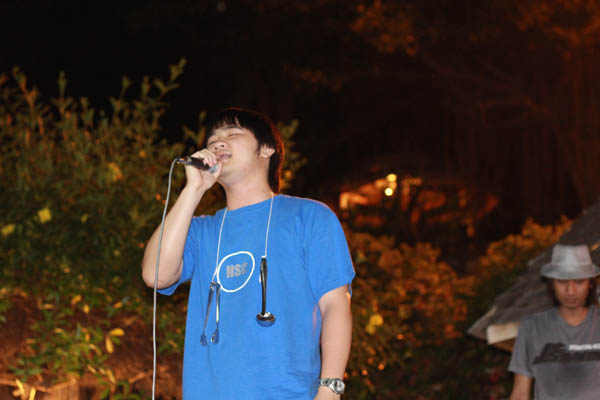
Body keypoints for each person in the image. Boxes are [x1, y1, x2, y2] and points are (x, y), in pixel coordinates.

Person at [141, 107, 355, 399]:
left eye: (232, 133)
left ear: (267, 149)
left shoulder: (309, 216)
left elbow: (335, 305)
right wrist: (194, 190)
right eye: (212, 138)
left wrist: (330, 390)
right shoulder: (200, 231)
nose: (218, 142)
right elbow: (155, 276)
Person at [508, 243, 600, 400]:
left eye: (579, 281)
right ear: (552, 283)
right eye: (562, 282)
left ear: (590, 283)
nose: (570, 291)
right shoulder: (532, 327)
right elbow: (520, 393)